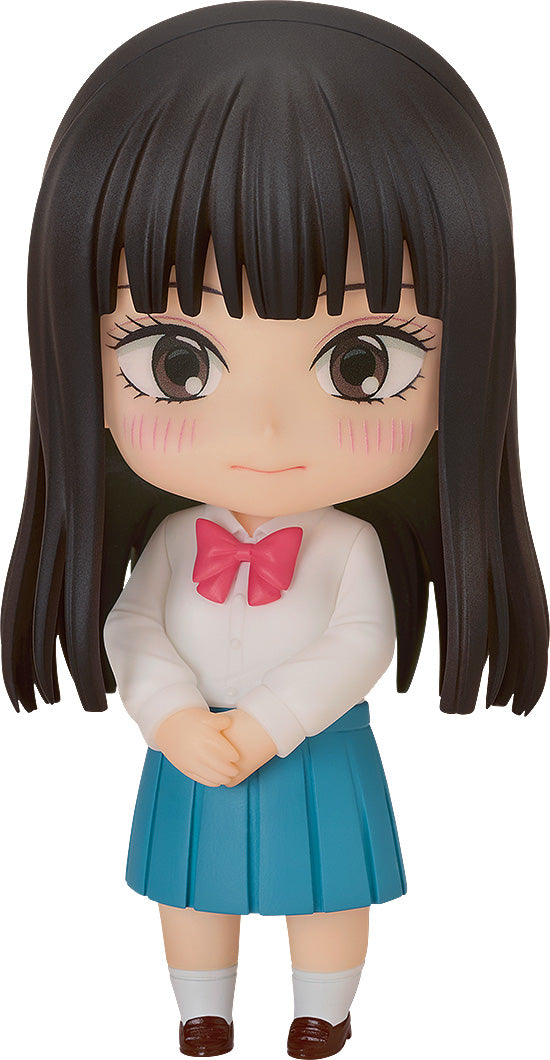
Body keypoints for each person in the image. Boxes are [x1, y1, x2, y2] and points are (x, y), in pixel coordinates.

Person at [2, 5, 547, 1057]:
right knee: (189, 893)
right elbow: (133, 625)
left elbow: (360, 642)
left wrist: (267, 724)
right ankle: (200, 1008)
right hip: (189, 746)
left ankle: (323, 1010)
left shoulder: (346, 547)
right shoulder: (175, 540)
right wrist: (169, 715)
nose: (263, 432)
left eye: (361, 363)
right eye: (177, 362)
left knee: (328, 891)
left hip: (311, 747)